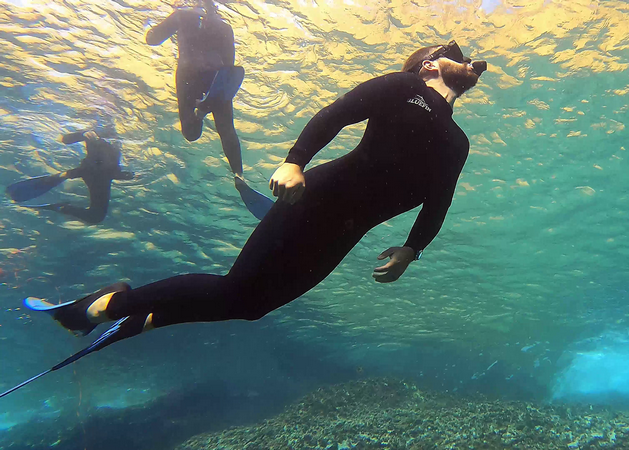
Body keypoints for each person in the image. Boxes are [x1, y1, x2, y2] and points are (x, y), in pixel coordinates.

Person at [7, 42, 487, 396]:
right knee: (236, 287)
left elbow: (438, 202)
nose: (466, 58)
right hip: (315, 201)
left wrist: (412, 248)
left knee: (252, 306)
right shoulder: (404, 87)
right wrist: (295, 160)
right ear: (429, 63)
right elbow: (338, 113)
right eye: (453, 51)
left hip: (344, 234)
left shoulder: (457, 143)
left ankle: (150, 317)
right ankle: (100, 308)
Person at [145, 0, 272, 219]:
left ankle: (200, 111)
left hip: (188, 75)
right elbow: (230, 69)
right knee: (226, 129)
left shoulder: (182, 16)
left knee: (191, 134)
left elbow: (152, 39)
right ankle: (238, 175)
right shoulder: (224, 26)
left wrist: (168, 20)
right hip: (216, 76)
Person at [5, 130, 133, 224]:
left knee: (96, 217)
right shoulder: (97, 133)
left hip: (99, 175)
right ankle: (61, 194)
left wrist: (125, 175)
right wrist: (83, 134)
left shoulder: (116, 141)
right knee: (96, 216)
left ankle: (61, 205)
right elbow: (63, 139)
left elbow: (113, 167)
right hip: (91, 172)